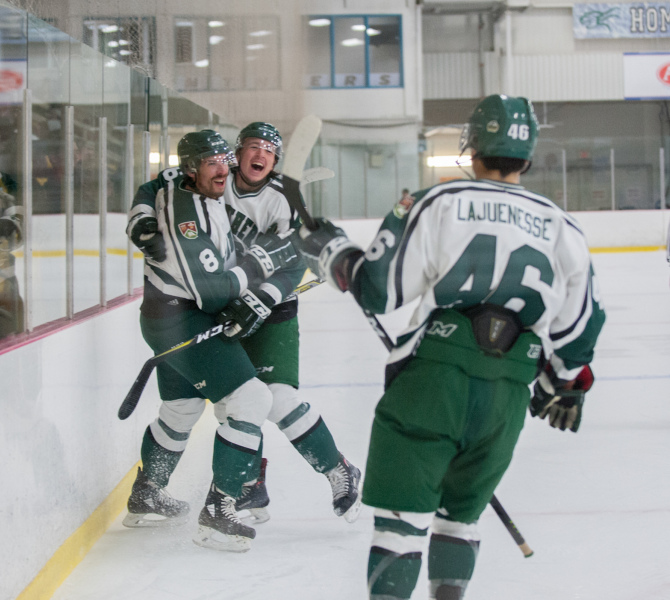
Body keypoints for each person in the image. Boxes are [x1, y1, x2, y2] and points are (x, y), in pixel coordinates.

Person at [293, 94, 606, 599]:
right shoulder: (561, 225)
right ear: (527, 155)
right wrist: (564, 383)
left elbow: (379, 289)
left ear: (475, 145)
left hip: (434, 377)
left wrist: (329, 249)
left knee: (401, 526)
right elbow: (580, 329)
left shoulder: (439, 201)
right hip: (506, 393)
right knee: (460, 520)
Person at [130, 122, 361, 523]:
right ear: (236, 153)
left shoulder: (283, 198)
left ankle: (339, 470)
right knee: (219, 404)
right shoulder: (212, 180)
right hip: (219, 303)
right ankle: (247, 486)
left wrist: (264, 296)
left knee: (273, 398)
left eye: (270, 151)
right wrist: (142, 218)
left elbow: (296, 260)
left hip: (271, 311)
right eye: (252, 147)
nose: (260, 156)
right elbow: (158, 186)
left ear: (275, 161)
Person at [123, 130, 297, 552]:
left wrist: (139, 213)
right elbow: (215, 292)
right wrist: (262, 263)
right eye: (212, 163)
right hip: (183, 322)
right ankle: (220, 512)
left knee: (181, 410)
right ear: (191, 170)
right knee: (252, 400)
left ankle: (147, 494)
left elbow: (153, 182)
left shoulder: (175, 182)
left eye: (225, 160)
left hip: (166, 318)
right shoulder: (187, 220)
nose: (224, 170)